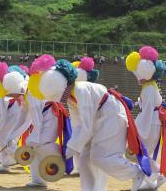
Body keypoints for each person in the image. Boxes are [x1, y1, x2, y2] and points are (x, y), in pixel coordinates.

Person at [32, 57, 153, 191]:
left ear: (63, 85)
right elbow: (78, 125)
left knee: (101, 157)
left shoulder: (82, 90)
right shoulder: (71, 98)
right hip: (100, 117)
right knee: (84, 159)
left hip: (112, 115)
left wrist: (71, 148)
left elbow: (86, 125)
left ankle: (137, 174)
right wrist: (70, 148)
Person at [9, 55, 73, 187]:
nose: (12, 97)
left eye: (11, 94)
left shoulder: (33, 92)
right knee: (31, 144)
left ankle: (64, 155)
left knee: (39, 143)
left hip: (52, 114)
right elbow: (23, 117)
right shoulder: (27, 94)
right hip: (44, 116)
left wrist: (35, 135)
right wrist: (13, 135)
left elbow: (36, 116)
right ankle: (38, 180)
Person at [126, 46, 166, 189]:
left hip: (150, 123)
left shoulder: (149, 88)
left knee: (141, 153)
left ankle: (156, 175)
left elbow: (147, 111)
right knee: (142, 154)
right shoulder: (150, 86)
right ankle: (153, 178)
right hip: (152, 122)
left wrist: (139, 130)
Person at [0, 63, 29, 172]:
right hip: (8, 116)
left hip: (14, 113)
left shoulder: (3, 93)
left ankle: (18, 157)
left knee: (8, 137)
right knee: (2, 136)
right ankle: (6, 162)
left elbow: (4, 110)